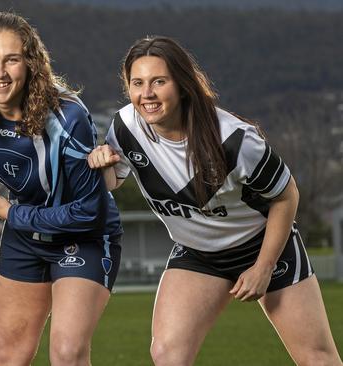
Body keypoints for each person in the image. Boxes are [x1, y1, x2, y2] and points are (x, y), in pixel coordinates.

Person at [88, 36, 342, 366]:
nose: (146, 94)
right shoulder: (125, 126)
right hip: (197, 254)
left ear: (182, 84)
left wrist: (263, 268)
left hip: (260, 246)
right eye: (137, 83)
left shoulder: (235, 140)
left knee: (316, 358)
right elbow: (114, 181)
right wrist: (100, 163)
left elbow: (286, 195)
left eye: (159, 82)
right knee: (167, 355)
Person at [0, 11, 123, 366]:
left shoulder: (68, 117)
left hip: (85, 236)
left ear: (31, 63)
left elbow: (88, 212)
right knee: (8, 355)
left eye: (11, 60)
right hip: (24, 237)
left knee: (67, 354)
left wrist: (8, 211)